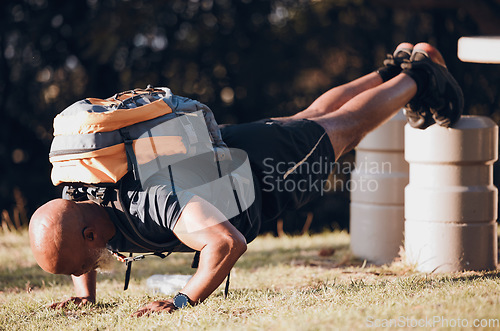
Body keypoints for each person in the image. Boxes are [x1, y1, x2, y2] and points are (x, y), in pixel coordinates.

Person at [29, 42, 463, 316]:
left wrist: (183, 300)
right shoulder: (82, 189)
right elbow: (73, 234)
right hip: (229, 150)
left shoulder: (151, 200)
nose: (87, 270)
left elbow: (226, 242)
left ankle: (419, 77)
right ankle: (397, 66)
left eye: (84, 266)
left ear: (90, 233)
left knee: (344, 130)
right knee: (312, 118)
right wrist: (85, 296)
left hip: (266, 171)